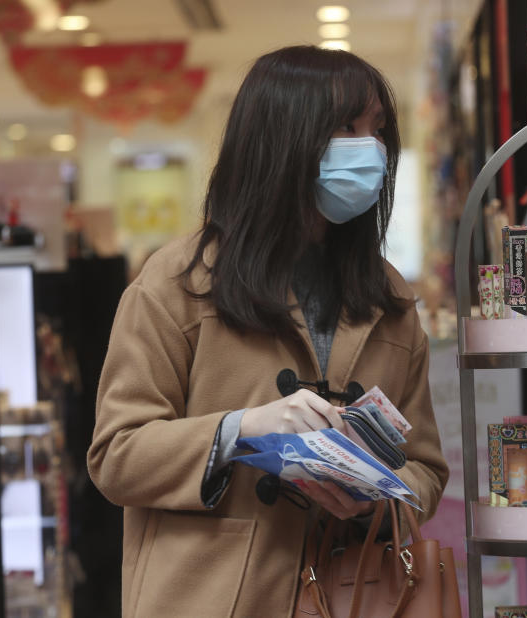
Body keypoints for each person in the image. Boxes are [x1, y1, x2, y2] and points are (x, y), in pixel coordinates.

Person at [87, 45, 449, 618]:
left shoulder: (389, 295)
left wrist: (374, 494)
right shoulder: (178, 282)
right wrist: (241, 430)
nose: (369, 149)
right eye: (344, 127)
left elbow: (425, 468)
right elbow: (116, 454)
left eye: (376, 129)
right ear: (282, 139)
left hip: (354, 591)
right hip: (211, 595)